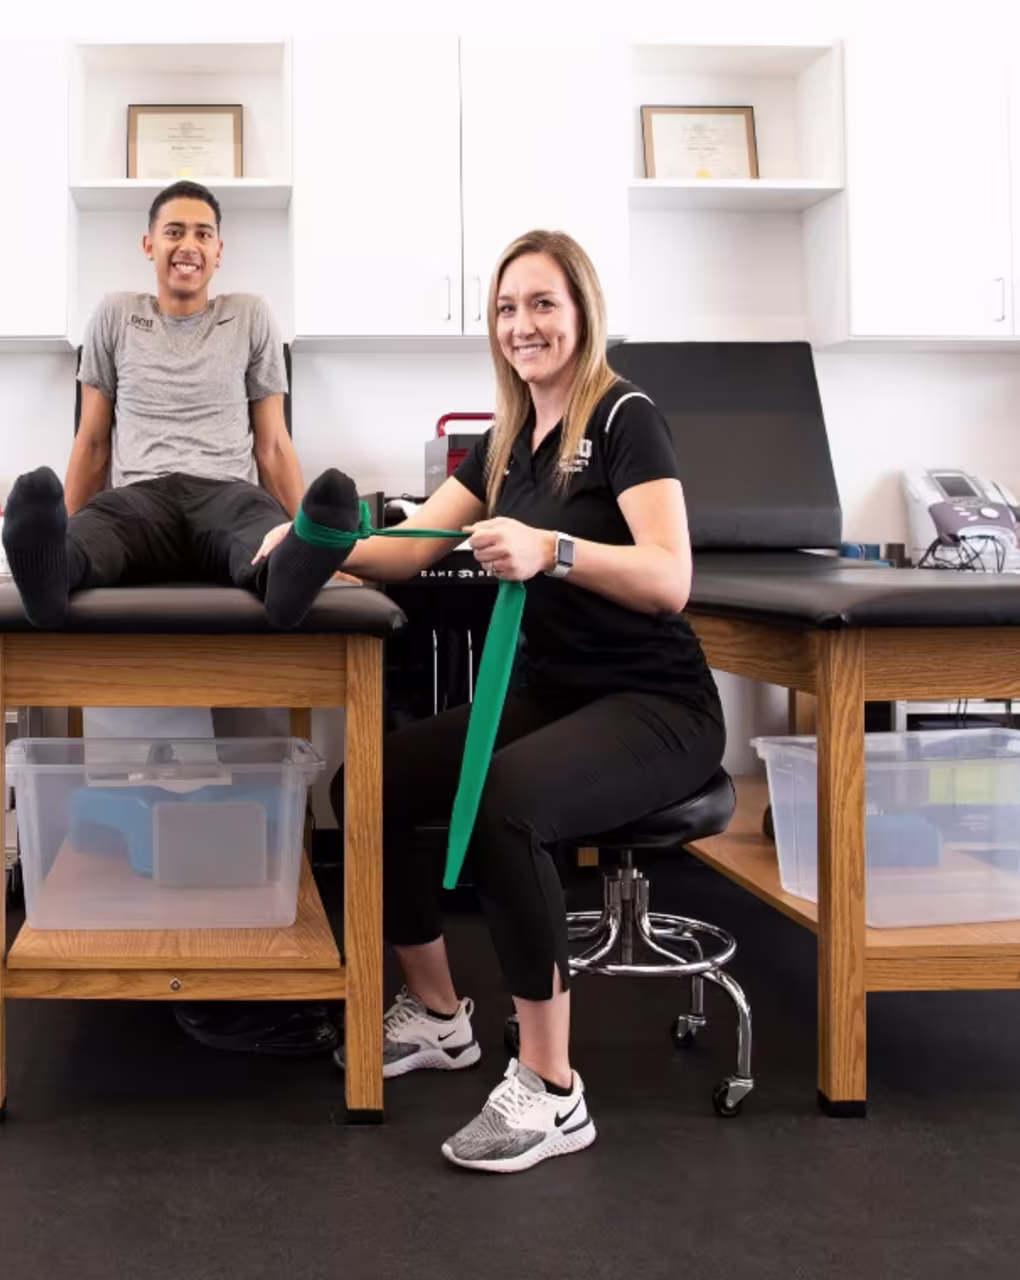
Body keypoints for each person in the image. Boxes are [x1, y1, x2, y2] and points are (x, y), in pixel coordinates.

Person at [261, 230, 726, 1173]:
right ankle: (439, 1017)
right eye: (508, 309)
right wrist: (316, 544)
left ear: (582, 312)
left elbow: (670, 577)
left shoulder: (626, 416)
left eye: (543, 304)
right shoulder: (506, 440)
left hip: (655, 703)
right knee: (371, 787)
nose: (524, 325)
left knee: (507, 803)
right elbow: (414, 544)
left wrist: (556, 550)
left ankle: (554, 1090)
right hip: (553, 694)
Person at [1, 180, 358, 628]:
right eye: (174, 232)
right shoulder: (114, 314)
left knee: (257, 538)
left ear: (219, 250)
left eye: (203, 234)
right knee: (92, 539)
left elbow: (272, 445)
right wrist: (64, 528)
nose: (189, 245)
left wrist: (298, 530)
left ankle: (294, 567)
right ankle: (51, 573)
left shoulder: (251, 315)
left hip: (227, 495)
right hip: (138, 500)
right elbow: (92, 441)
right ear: (149, 244)